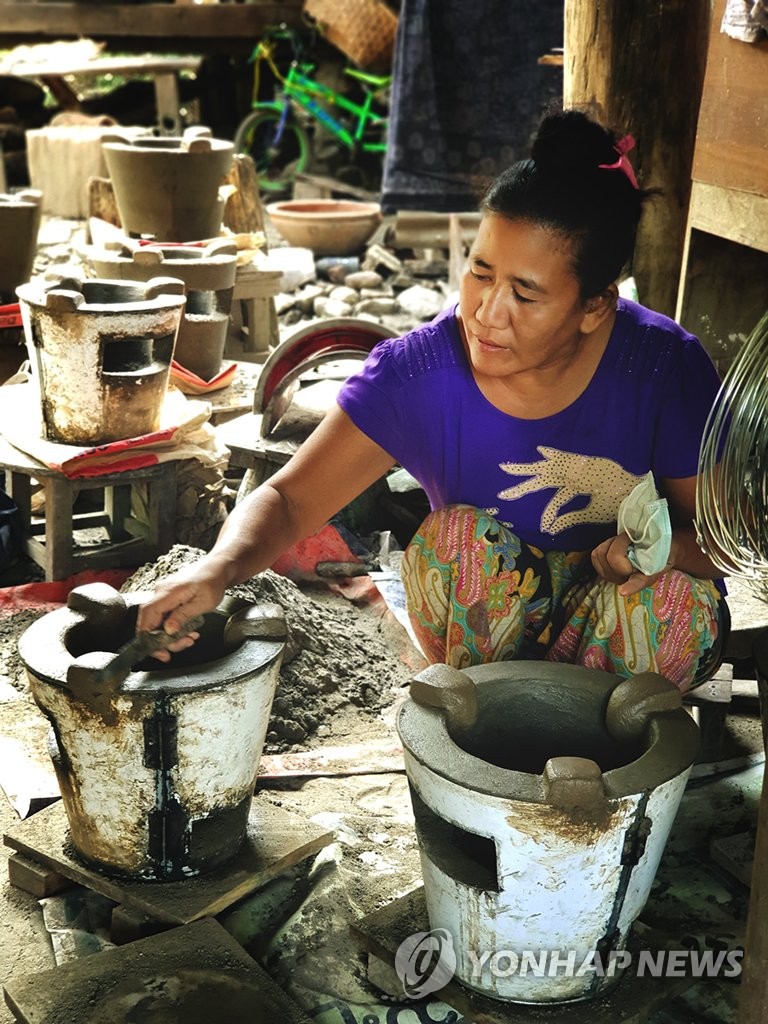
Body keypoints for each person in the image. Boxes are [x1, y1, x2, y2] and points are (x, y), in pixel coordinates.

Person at [139, 108, 727, 692]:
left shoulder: (660, 368)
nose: (486, 313)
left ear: (594, 307)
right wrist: (217, 568)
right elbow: (291, 500)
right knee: (456, 546)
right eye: (480, 272)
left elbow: (729, 547)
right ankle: (493, 720)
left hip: (614, 630)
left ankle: (593, 745)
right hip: (492, 635)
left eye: (525, 295)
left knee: (672, 605)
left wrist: (666, 549)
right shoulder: (419, 373)